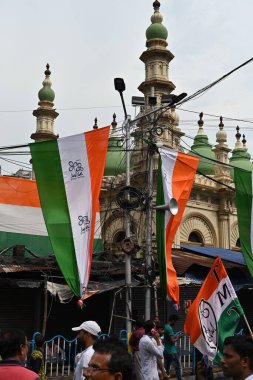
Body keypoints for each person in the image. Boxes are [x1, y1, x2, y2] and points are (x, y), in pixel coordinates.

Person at [163, 314, 183, 380]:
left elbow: (169, 338)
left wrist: (176, 335)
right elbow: (172, 341)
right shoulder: (169, 328)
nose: (175, 323)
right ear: (172, 320)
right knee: (178, 367)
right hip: (172, 351)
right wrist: (178, 337)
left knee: (166, 368)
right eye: (175, 321)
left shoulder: (165, 327)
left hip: (166, 350)